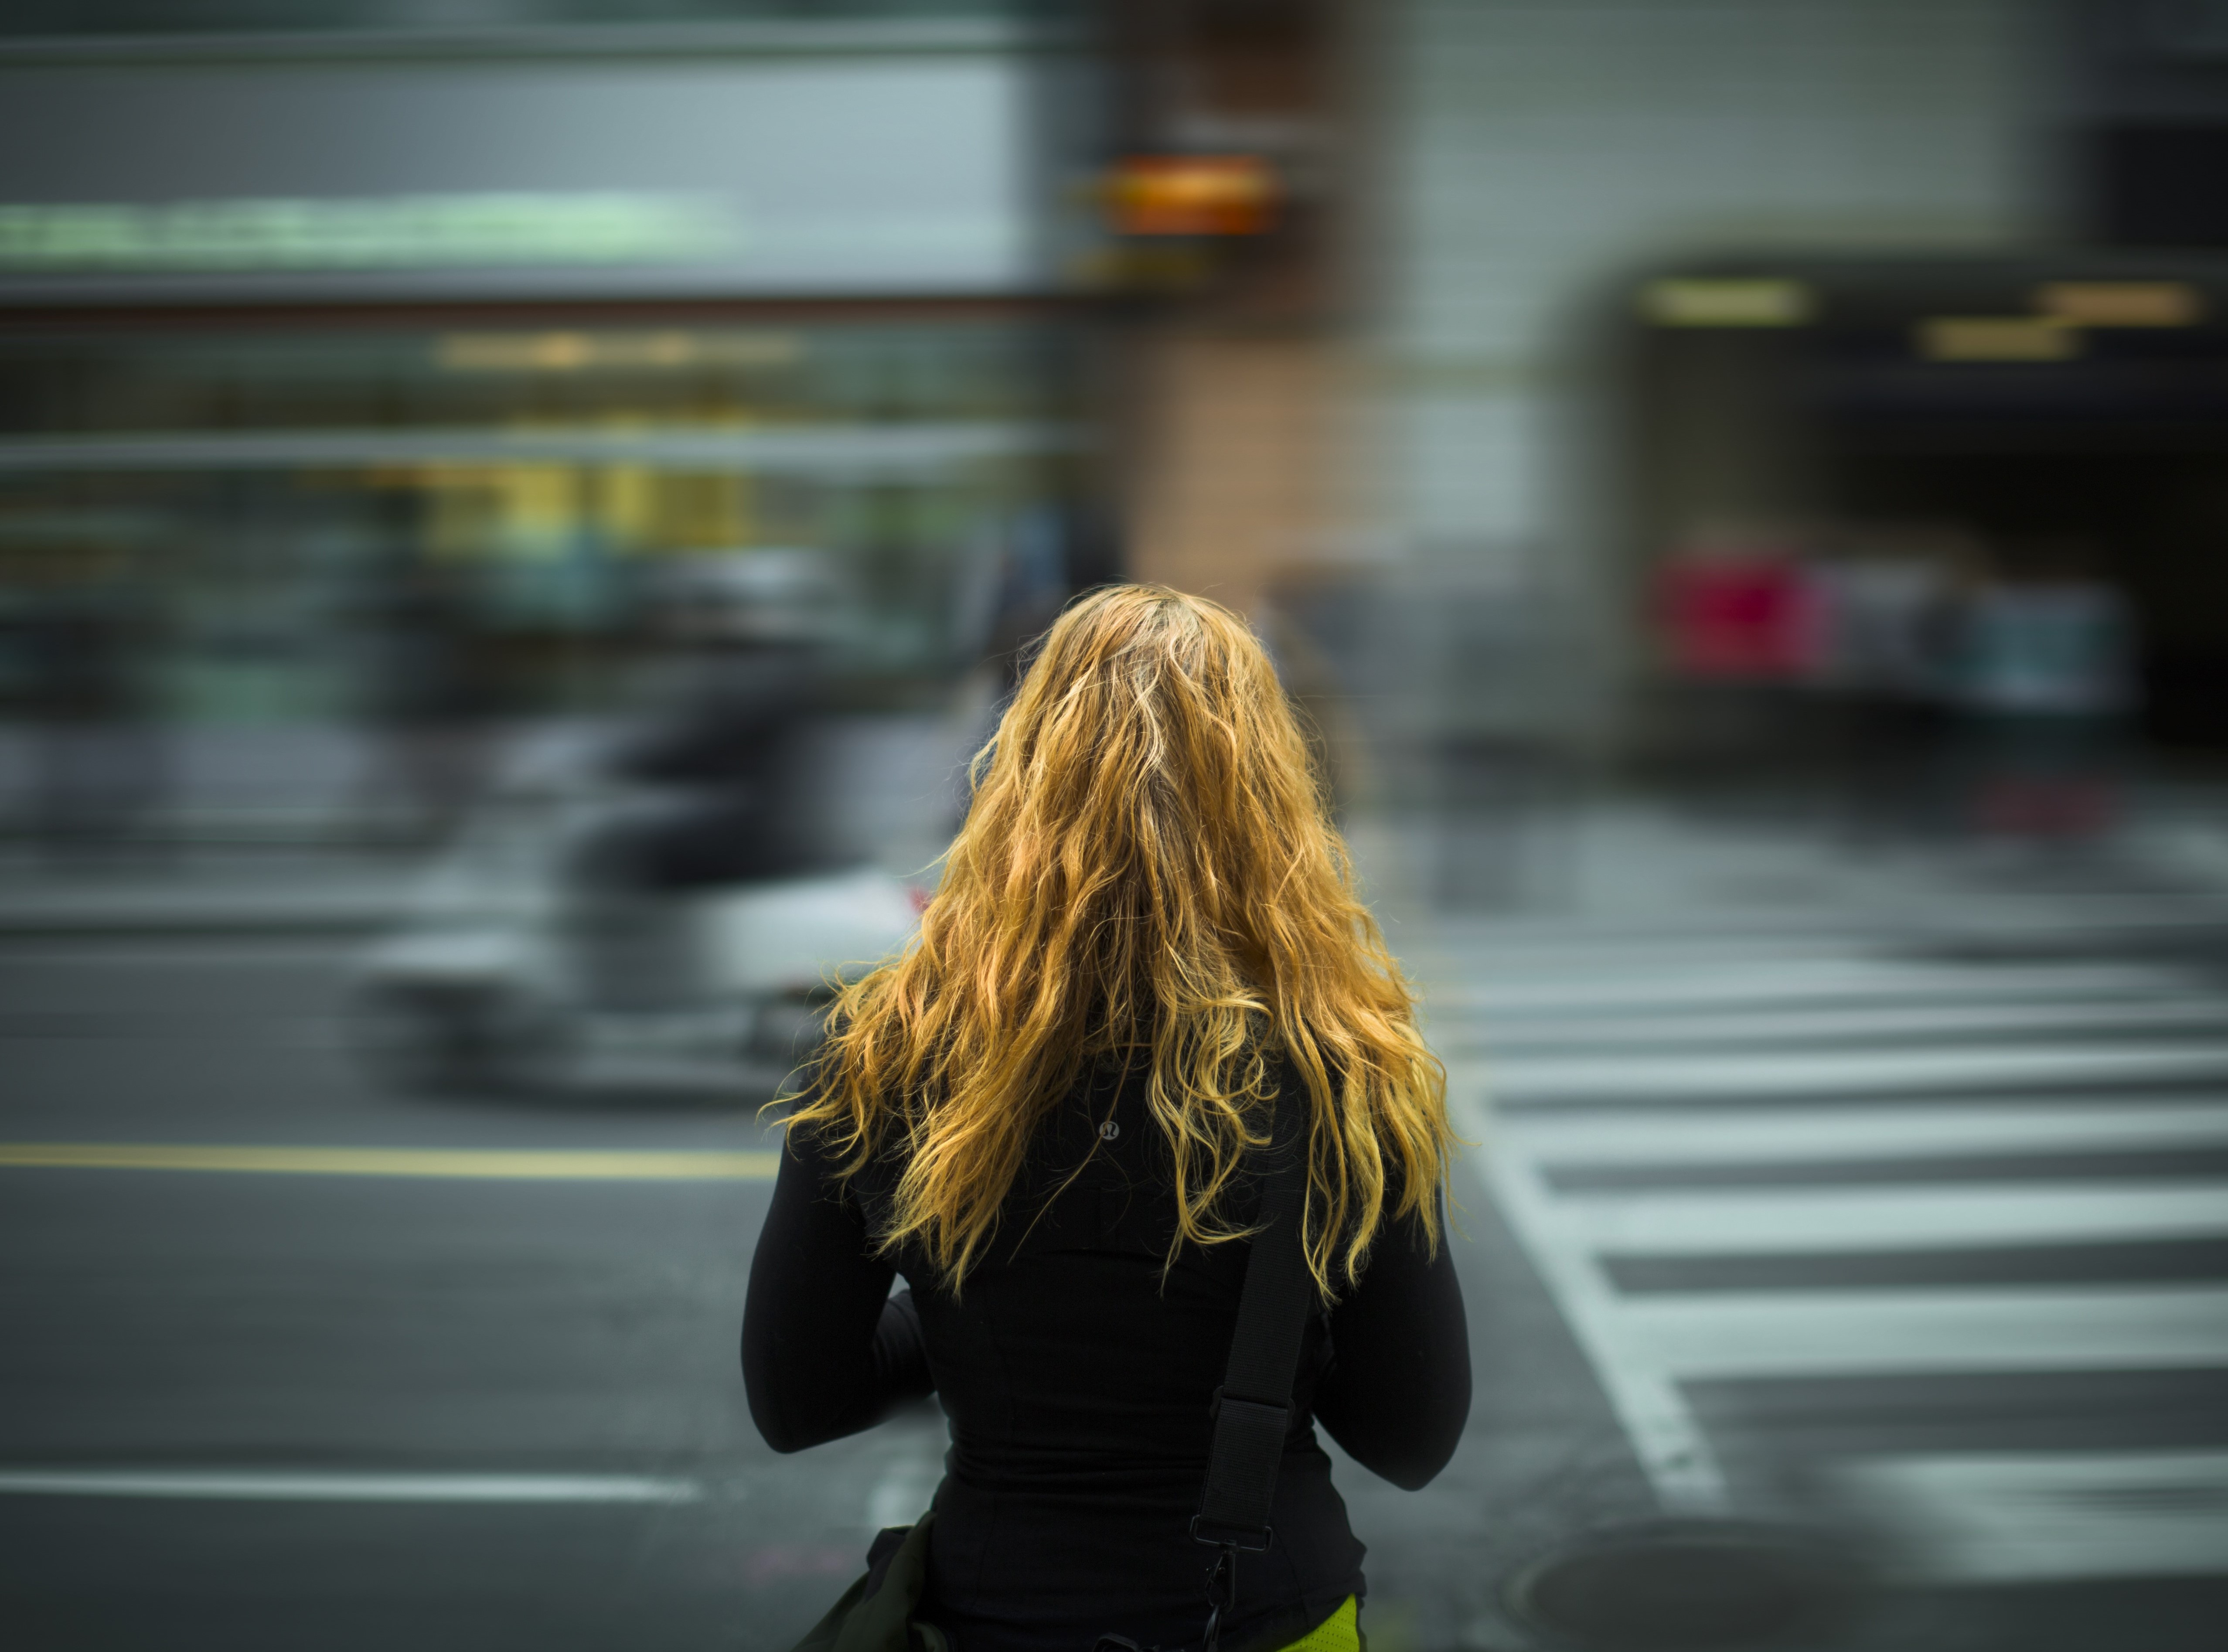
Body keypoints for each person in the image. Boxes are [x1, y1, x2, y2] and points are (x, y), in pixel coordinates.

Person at [743, 585, 1470, 1652]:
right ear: (1272, 794)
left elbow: (799, 1397)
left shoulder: (887, 1048)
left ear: (1017, 773)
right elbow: (1410, 1436)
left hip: (990, 1616)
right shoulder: (1342, 1068)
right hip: (1267, 1618)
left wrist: (968, 1313)